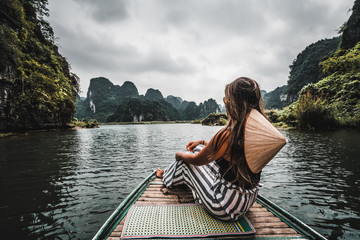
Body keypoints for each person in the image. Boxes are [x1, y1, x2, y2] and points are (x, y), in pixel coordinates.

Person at [156, 77, 265, 221]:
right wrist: (201, 142)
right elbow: (225, 151)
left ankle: (166, 176)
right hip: (246, 201)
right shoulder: (259, 132)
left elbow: (196, 160)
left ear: (233, 104)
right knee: (199, 148)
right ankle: (171, 173)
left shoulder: (227, 134)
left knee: (185, 163)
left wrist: (180, 154)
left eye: (226, 100)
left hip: (224, 207)